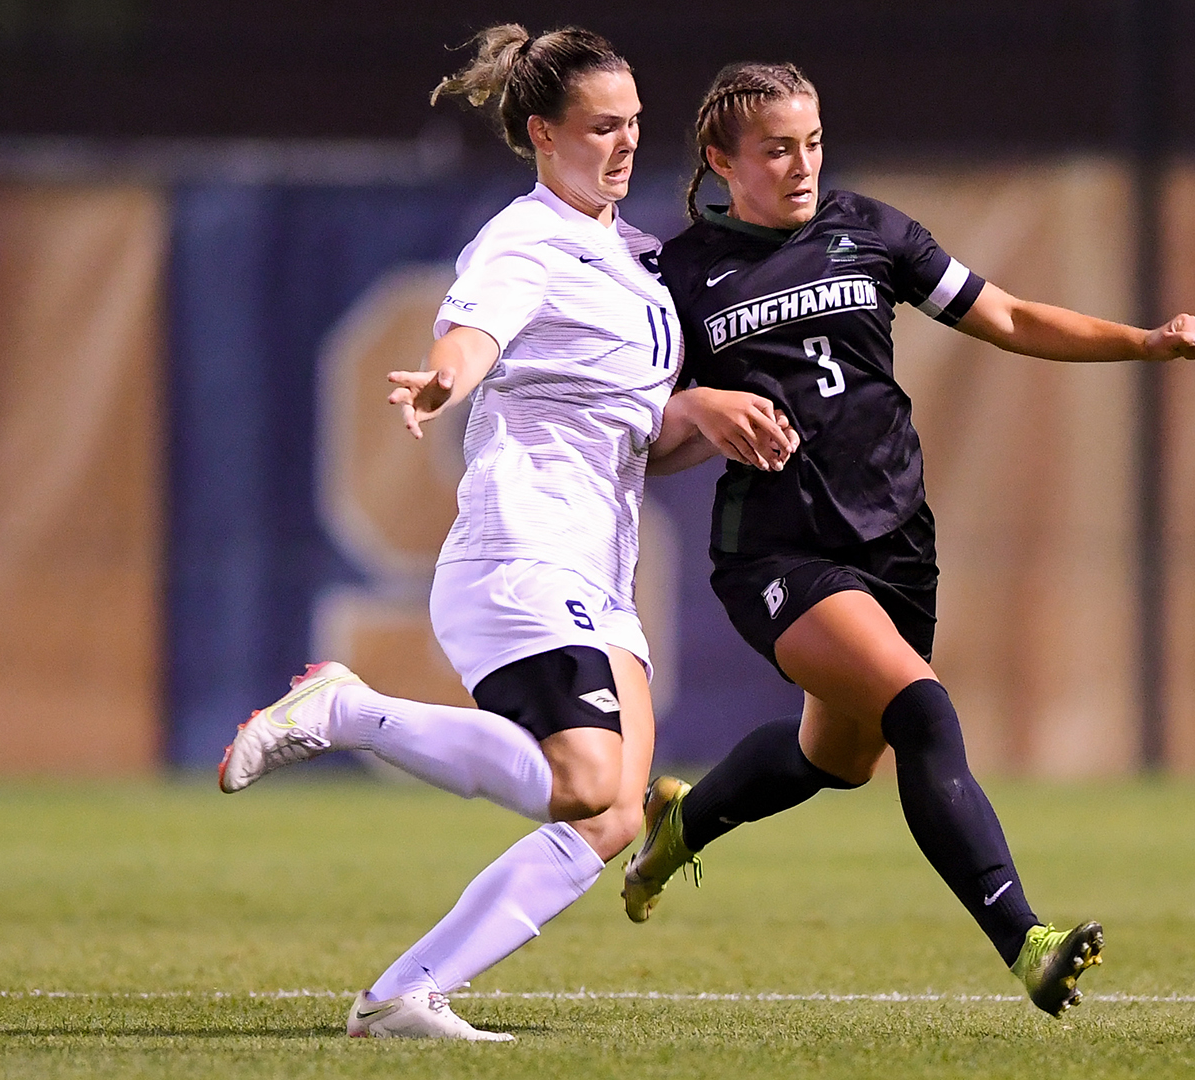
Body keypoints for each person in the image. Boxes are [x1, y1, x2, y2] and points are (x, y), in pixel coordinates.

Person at [216, 26, 797, 1041]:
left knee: (613, 816)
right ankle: (347, 711)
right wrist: (448, 373)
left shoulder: (628, 256)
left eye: (633, 124)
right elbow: (474, 332)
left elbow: (630, 437)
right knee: (586, 779)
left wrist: (705, 417)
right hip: (523, 548)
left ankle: (404, 994)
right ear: (541, 132)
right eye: (600, 126)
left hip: (597, 571)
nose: (624, 143)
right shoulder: (529, 238)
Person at [623, 61, 1195, 1018]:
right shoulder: (678, 276)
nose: (802, 164)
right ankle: (1029, 942)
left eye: (812, 142)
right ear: (721, 159)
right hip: (778, 553)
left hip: (895, 538)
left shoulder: (871, 229)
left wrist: (1141, 342)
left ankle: (684, 823)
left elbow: (1011, 315)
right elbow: (634, 428)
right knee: (923, 714)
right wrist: (694, 400)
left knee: (837, 760)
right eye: (776, 148)